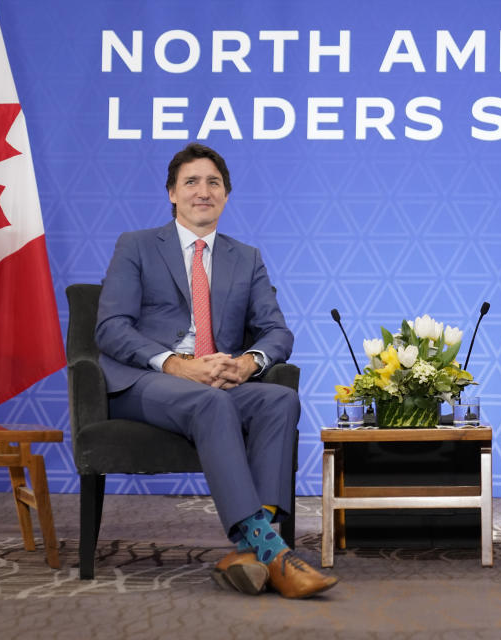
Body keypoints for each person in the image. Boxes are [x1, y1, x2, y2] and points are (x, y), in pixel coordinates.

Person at [95, 142, 337, 599]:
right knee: (208, 400)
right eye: (191, 182)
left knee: (279, 398)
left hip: (217, 383)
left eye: (213, 183)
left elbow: (277, 333)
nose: (202, 191)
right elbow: (110, 328)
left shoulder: (245, 258)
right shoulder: (138, 246)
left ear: (226, 196)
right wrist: (176, 365)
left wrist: (248, 363)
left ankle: (250, 553)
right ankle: (274, 551)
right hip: (146, 383)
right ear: (171, 193)